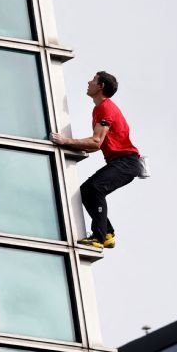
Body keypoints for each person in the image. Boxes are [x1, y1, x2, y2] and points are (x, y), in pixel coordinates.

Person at [50, 71, 143, 250]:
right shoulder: (99, 108)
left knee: (94, 189)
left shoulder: (106, 108)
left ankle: (99, 237)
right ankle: (106, 233)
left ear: (101, 86)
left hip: (127, 162)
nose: (89, 82)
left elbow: (95, 142)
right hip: (121, 162)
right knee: (87, 190)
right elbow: (96, 144)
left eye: (93, 80)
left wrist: (66, 141)